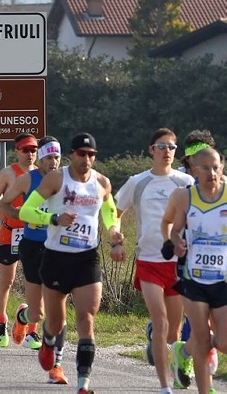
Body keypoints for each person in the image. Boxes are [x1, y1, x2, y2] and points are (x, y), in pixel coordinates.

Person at [18, 132, 124, 394]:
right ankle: (48, 341)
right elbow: (26, 211)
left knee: (86, 320)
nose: (86, 159)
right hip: (55, 258)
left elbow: (110, 213)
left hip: (87, 259)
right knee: (54, 322)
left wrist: (113, 233)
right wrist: (54, 219)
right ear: (72, 155)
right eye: (81, 154)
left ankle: (83, 383)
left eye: (91, 155)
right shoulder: (56, 178)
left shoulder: (102, 182)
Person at [114, 128, 193, 393]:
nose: (167, 152)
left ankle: (159, 343)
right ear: (151, 150)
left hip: (177, 263)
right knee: (160, 322)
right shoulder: (138, 182)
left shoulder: (185, 182)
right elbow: (116, 210)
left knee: (173, 330)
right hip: (148, 261)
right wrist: (116, 237)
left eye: (171, 147)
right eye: (161, 147)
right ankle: (164, 386)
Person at [0, 136, 69, 384]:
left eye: (57, 157)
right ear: (41, 160)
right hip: (33, 246)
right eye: (49, 158)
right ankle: (23, 317)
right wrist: (20, 215)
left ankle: (56, 365)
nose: (53, 162)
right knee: (38, 314)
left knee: (58, 311)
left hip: (59, 248)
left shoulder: (68, 179)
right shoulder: (28, 179)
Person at [163, 147, 226, 394]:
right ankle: (204, 389)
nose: (212, 173)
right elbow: (173, 228)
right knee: (201, 339)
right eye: (206, 168)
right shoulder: (186, 197)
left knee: (223, 341)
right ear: (194, 171)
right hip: (194, 279)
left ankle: (182, 350)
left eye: (216, 167)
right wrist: (176, 240)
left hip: (223, 279)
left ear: (222, 167)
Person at [0, 134, 38, 348]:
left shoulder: (42, 173)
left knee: (35, 282)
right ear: (17, 151)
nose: (30, 154)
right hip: (10, 234)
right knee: (6, 280)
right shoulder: (8, 173)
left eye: (34, 150)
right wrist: (7, 214)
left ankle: (31, 331)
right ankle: (1, 320)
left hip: (34, 235)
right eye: (25, 150)